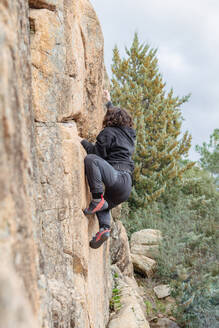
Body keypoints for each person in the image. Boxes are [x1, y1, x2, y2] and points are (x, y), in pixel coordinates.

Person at [80, 90, 136, 249]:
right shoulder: (130, 134)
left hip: (116, 177)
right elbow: (117, 116)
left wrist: (81, 141)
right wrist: (108, 102)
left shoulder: (107, 133)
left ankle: (97, 198)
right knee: (105, 206)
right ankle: (104, 229)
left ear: (109, 119)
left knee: (91, 160)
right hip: (125, 187)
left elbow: (95, 154)